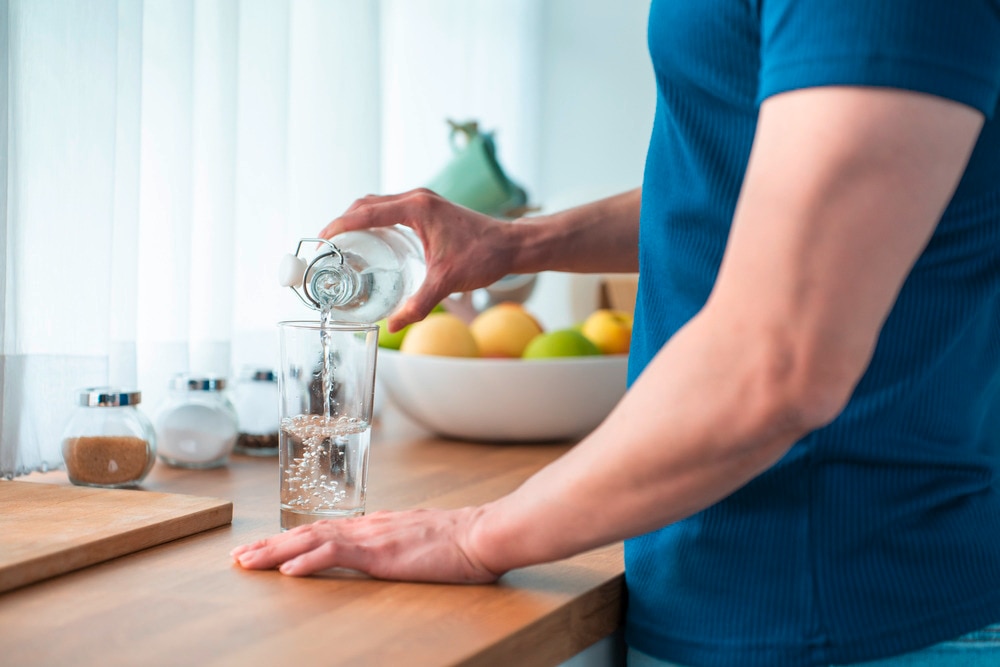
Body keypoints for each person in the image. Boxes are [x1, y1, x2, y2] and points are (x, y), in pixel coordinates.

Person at [232, 1, 1000, 664]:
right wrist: (517, 243)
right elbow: (749, 192)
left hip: (844, 602)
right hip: (733, 578)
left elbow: (778, 361)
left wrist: (479, 535)